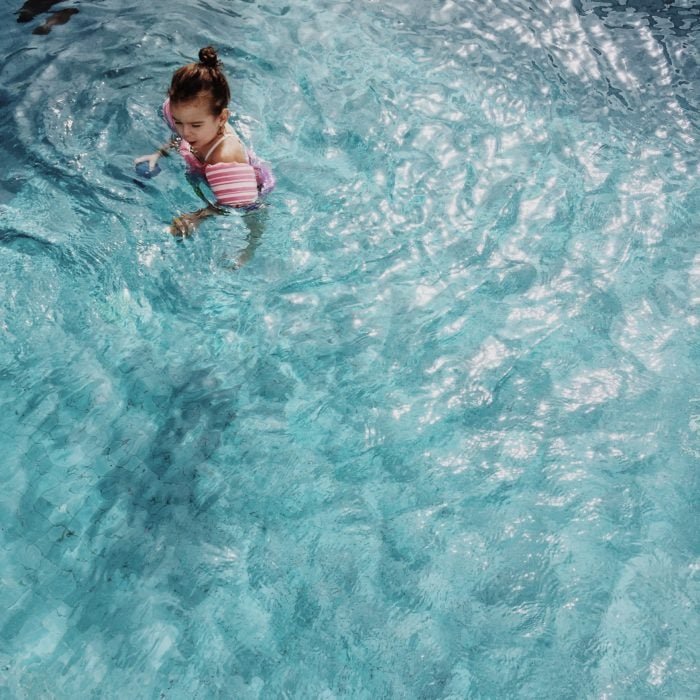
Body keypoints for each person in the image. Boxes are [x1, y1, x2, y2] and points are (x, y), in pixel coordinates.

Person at [134, 46, 274, 237]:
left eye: (195, 125)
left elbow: (240, 208)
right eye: (178, 122)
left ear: (222, 119)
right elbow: (179, 139)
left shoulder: (224, 158)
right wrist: (159, 153)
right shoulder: (190, 117)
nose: (185, 132)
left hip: (244, 189)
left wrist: (198, 216)